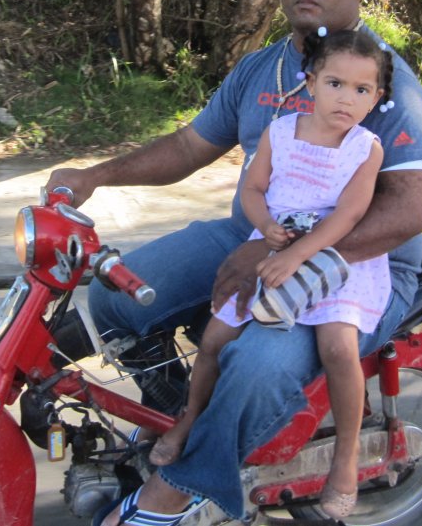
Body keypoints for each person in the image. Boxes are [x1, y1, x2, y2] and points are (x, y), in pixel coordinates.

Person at [45, 0, 422, 526]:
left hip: (358, 260)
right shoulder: (263, 68)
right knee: (117, 296)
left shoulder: (382, 82)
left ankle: (180, 491)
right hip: (254, 233)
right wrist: (95, 175)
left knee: (256, 365)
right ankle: (189, 419)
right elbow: (187, 148)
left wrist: (293, 253)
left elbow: (407, 212)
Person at [148, 27, 394, 521]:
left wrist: (297, 254)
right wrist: (264, 228)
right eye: (335, 84)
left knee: (337, 348)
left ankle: (344, 459)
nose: (347, 99)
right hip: (272, 247)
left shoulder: (365, 149)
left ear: (377, 98)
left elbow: (348, 216)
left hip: (334, 262)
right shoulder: (280, 133)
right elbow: (254, 191)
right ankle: (189, 418)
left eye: (361, 90)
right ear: (310, 82)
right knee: (215, 339)